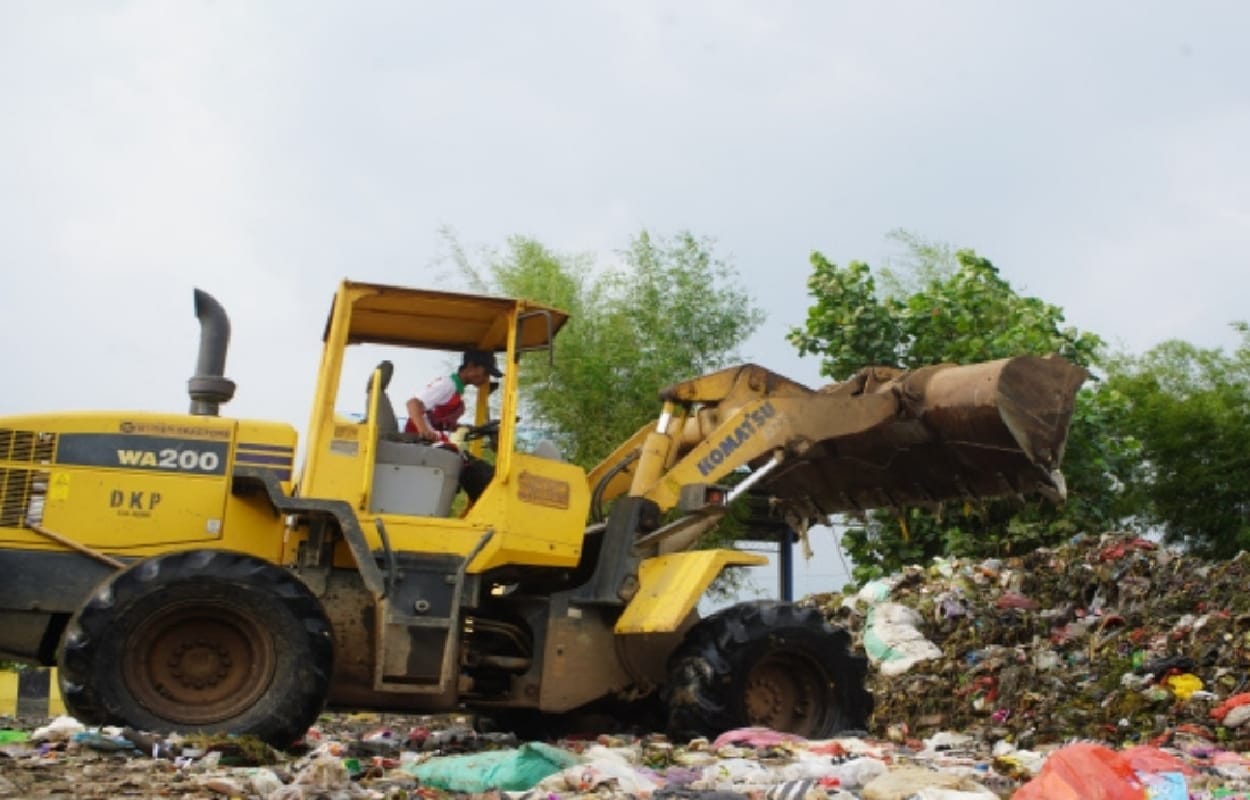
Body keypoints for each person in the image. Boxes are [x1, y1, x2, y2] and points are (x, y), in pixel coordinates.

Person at [404, 350, 501, 502]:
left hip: (433, 442)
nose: (486, 378)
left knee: (472, 465)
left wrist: (465, 428)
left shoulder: (456, 390)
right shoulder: (447, 384)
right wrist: (424, 431)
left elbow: (436, 419)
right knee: (481, 474)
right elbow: (413, 403)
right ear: (471, 366)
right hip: (423, 443)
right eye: (486, 372)